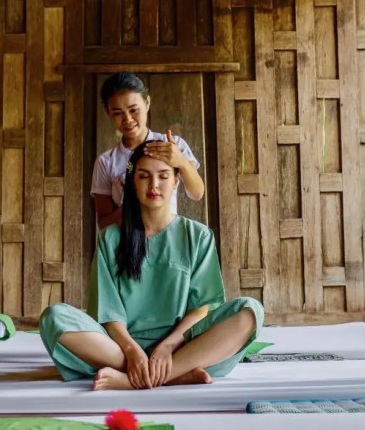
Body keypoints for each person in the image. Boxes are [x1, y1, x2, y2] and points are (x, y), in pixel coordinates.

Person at [40, 142, 264, 391]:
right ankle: (173, 375)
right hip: (120, 348)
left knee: (250, 311)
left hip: (182, 346)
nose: (154, 185)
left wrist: (168, 346)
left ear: (176, 181)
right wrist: (132, 350)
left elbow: (201, 308)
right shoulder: (110, 238)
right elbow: (108, 312)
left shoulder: (197, 236)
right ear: (132, 183)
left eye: (163, 176)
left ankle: (137, 378)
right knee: (54, 317)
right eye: (144, 176)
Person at [91, 72, 205, 229]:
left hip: (168, 236)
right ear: (108, 112)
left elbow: (197, 193)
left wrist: (182, 162)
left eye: (133, 110)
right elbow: (104, 223)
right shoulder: (106, 161)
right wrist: (135, 201)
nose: (128, 119)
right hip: (127, 241)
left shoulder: (172, 146)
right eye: (118, 113)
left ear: (147, 103)